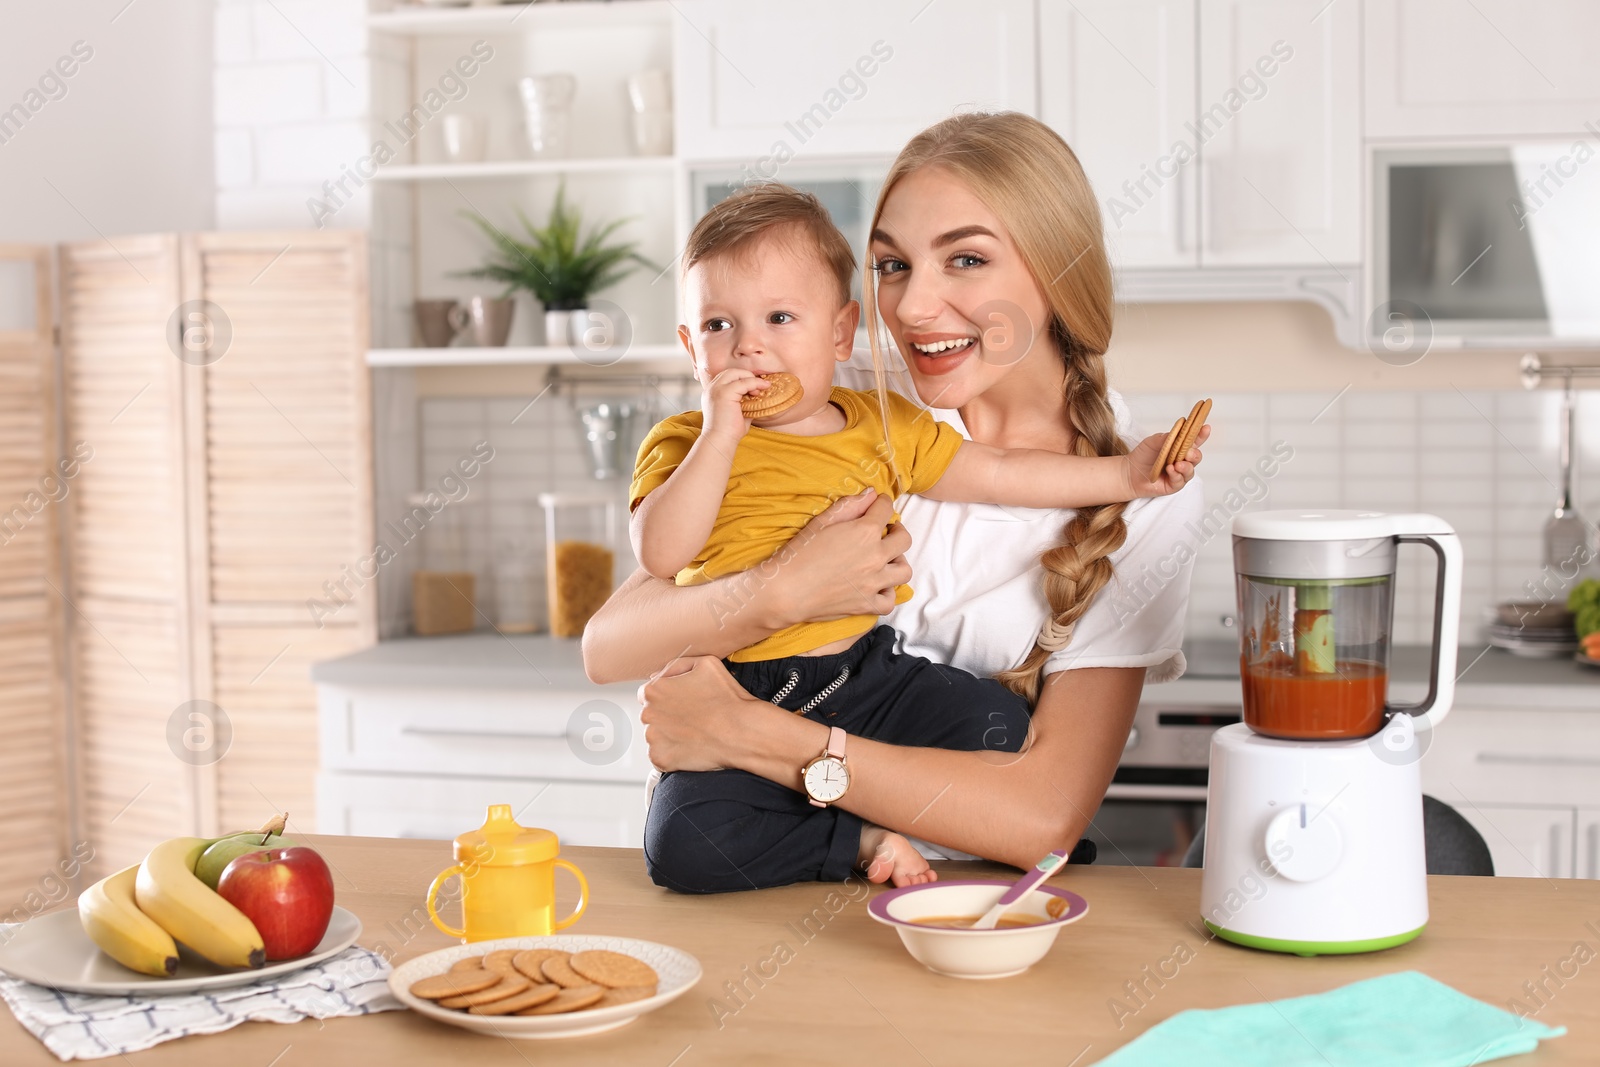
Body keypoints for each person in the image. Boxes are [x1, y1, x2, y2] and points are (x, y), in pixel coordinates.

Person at [584, 110, 1206, 882]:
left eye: (966, 260)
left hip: (951, 900)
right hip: (758, 894)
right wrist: (776, 594)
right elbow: (610, 645)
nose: (911, 308)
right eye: (892, 266)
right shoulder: (826, 398)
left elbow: (1040, 817)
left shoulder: (1141, 488)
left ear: (1056, 269)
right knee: (682, 842)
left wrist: (748, 733)